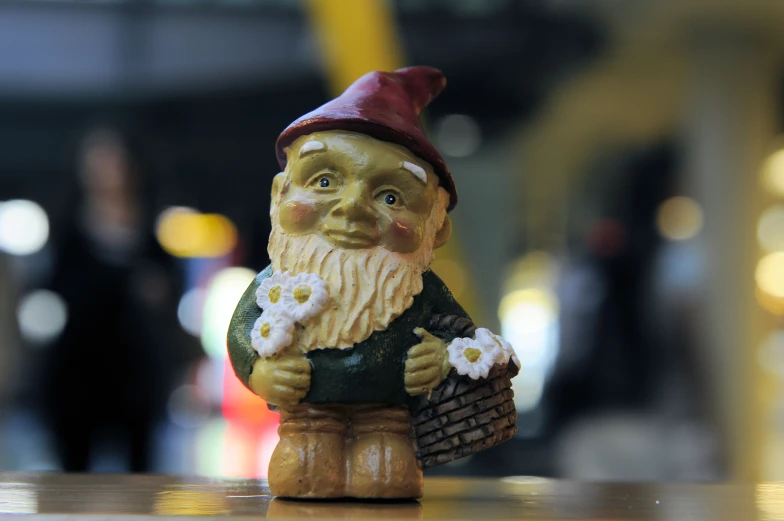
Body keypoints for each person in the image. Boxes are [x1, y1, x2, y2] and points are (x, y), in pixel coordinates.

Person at [228, 67, 518, 498]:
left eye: (390, 197)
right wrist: (261, 370)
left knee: (386, 475)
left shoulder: (420, 288)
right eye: (324, 181)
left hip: (388, 415)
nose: (352, 209)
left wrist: (441, 358)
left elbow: (462, 339)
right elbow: (243, 331)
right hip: (308, 410)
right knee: (304, 469)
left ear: (435, 228)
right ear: (280, 195)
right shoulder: (278, 284)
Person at [42, 126, 185, 472]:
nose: (109, 170)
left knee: (140, 470)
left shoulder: (153, 230)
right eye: (99, 161)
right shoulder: (67, 230)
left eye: (116, 161)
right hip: (78, 371)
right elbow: (55, 290)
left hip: (136, 373)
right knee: (73, 472)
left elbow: (170, 292)